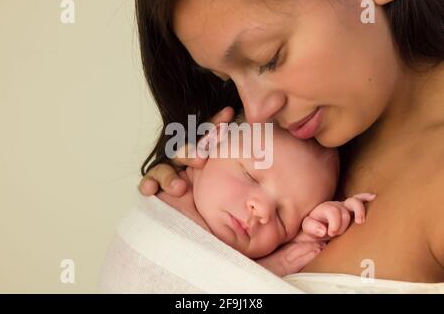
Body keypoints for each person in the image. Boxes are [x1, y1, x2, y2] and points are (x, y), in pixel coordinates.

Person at [135, 0, 444, 282]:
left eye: (268, 58)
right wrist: (174, 231)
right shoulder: (297, 149)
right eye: (227, 79)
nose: (255, 112)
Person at [156, 114, 375, 276]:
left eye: (282, 220)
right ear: (210, 143)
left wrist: (318, 229)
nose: (262, 210)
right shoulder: (168, 200)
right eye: (250, 176)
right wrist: (274, 267)